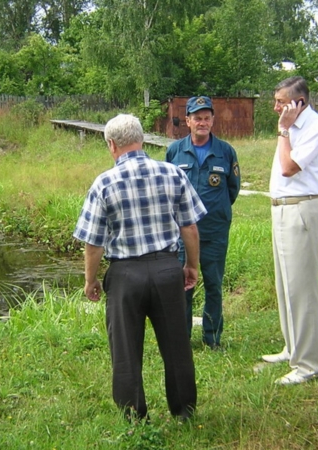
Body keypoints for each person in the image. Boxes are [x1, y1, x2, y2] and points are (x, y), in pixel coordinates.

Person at [73, 114, 207, 421]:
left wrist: (90, 281)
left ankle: (134, 414)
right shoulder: (172, 173)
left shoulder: (104, 182)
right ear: (142, 139)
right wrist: (191, 266)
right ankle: (184, 411)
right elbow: (190, 228)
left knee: (125, 349)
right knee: (176, 344)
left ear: (111, 145)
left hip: (124, 275)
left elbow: (93, 243)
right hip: (165, 268)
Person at [260, 76, 318, 385]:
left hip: (301, 209)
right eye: (276, 100)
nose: (276, 106)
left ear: (299, 103)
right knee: (285, 284)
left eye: (281, 101)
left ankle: (308, 364)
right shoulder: (293, 129)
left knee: (301, 289)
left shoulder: (317, 128)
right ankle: (292, 347)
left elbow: (289, 167)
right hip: (282, 208)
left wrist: (283, 130)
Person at [165, 96, 240, 350]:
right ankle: (181, 340)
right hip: (182, 233)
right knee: (181, 287)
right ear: (187, 121)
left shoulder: (226, 152)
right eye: (197, 118)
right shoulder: (175, 151)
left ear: (212, 121)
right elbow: (167, 188)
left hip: (214, 232)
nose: (202, 123)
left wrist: (215, 213)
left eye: (207, 118)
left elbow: (232, 190)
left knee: (214, 286)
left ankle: (212, 338)